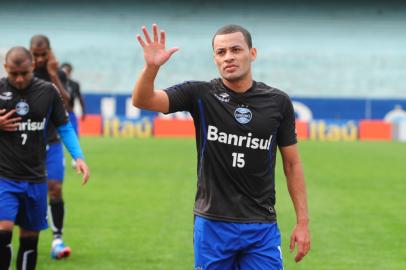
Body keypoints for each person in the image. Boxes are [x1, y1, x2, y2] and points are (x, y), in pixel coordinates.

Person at [132, 24, 311, 269]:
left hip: (261, 225)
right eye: (221, 52)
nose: (228, 57)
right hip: (213, 224)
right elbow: (143, 100)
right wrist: (151, 68)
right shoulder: (200, 94)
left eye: (236, 49)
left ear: (253, 53)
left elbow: (292, 163)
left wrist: (303, 222)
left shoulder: (278, 102)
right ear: (215, 58)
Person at [0, 47, 89, 270]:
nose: (19, 79)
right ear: (5, 69)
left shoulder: (48, 92)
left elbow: (64, 127)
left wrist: (78, 156)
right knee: (3, 232)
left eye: (24, 73)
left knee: (30, 240)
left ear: (32, 67)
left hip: (35, 178)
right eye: (13, 74)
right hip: (4, 177)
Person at [30, 35, 73, 259]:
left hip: (53, 142)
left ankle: (57, 239)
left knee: (55, 188)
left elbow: (67, 105)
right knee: (24, 193)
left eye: (42, 53)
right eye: (34, 54)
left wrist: (54, 74)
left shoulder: (59, 74)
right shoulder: (23, 76)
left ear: (50, 52)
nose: (38, 58)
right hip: (25, 146)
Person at [60, 62, 86, 137]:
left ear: (71, 72)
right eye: (64, 71)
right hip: (58, 113)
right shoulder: (56, 83)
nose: (66, 73)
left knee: (74, 135)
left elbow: (80, 98)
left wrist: (83, 111)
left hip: (70, 113)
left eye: (68, 71)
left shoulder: (75, 84)